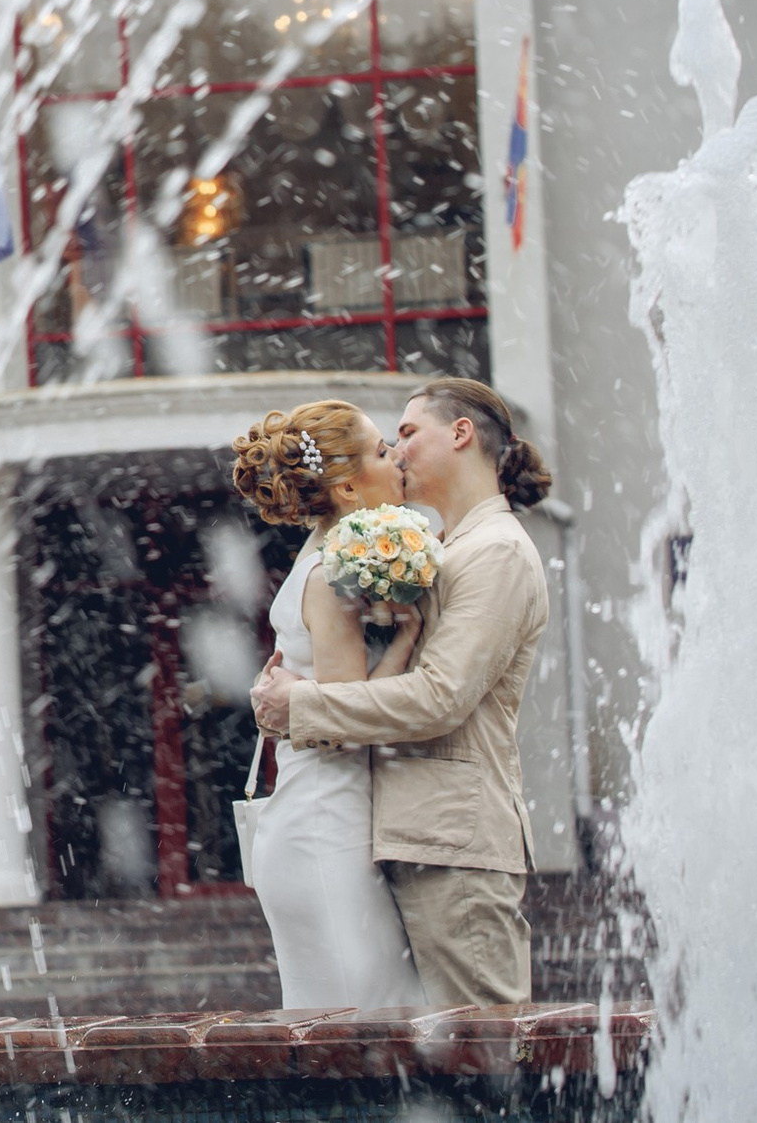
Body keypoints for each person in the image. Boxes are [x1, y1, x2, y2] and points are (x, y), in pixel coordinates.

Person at [249, 377, 553, 1007]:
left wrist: (298, 704)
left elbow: (441, 696)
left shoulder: (494, 551)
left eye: (406, 435)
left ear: (461, 434)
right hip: (402, 835)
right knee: (399, 1050)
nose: (399, 453)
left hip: (452, 842)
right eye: (386, 446)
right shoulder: (444, 548)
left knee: (479, 1057)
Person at [229, 400, 428, 1009]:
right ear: (345, 486)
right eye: (378, 452)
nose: (394, 458)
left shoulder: (315, 558)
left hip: (313, 823)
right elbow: (343, 722)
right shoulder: (330, 575)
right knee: (369, 1031)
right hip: (325, 830)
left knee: (345, 1029)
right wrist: (407, 639)